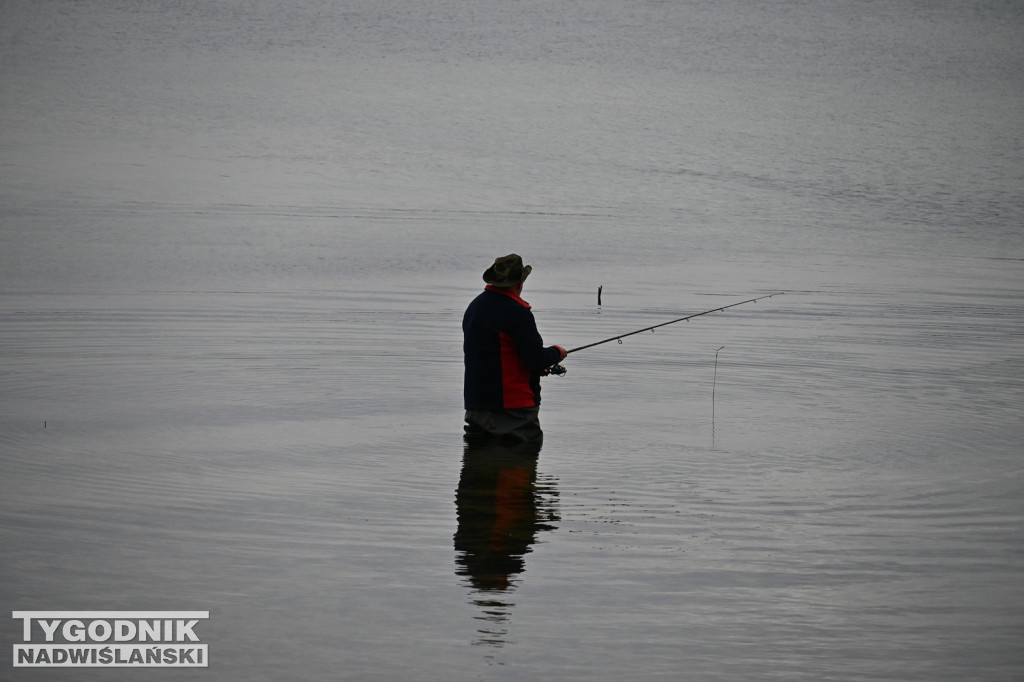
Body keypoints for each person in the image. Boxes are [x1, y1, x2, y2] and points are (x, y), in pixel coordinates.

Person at [463, 254, 567, 444]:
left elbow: (497, 353)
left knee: (478, 469)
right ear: (519, 283)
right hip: (512, 412)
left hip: (476, 407)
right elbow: (536, 359)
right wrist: (558, 352)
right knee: (519, 466)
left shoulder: (474, 308)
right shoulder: (516, 312)